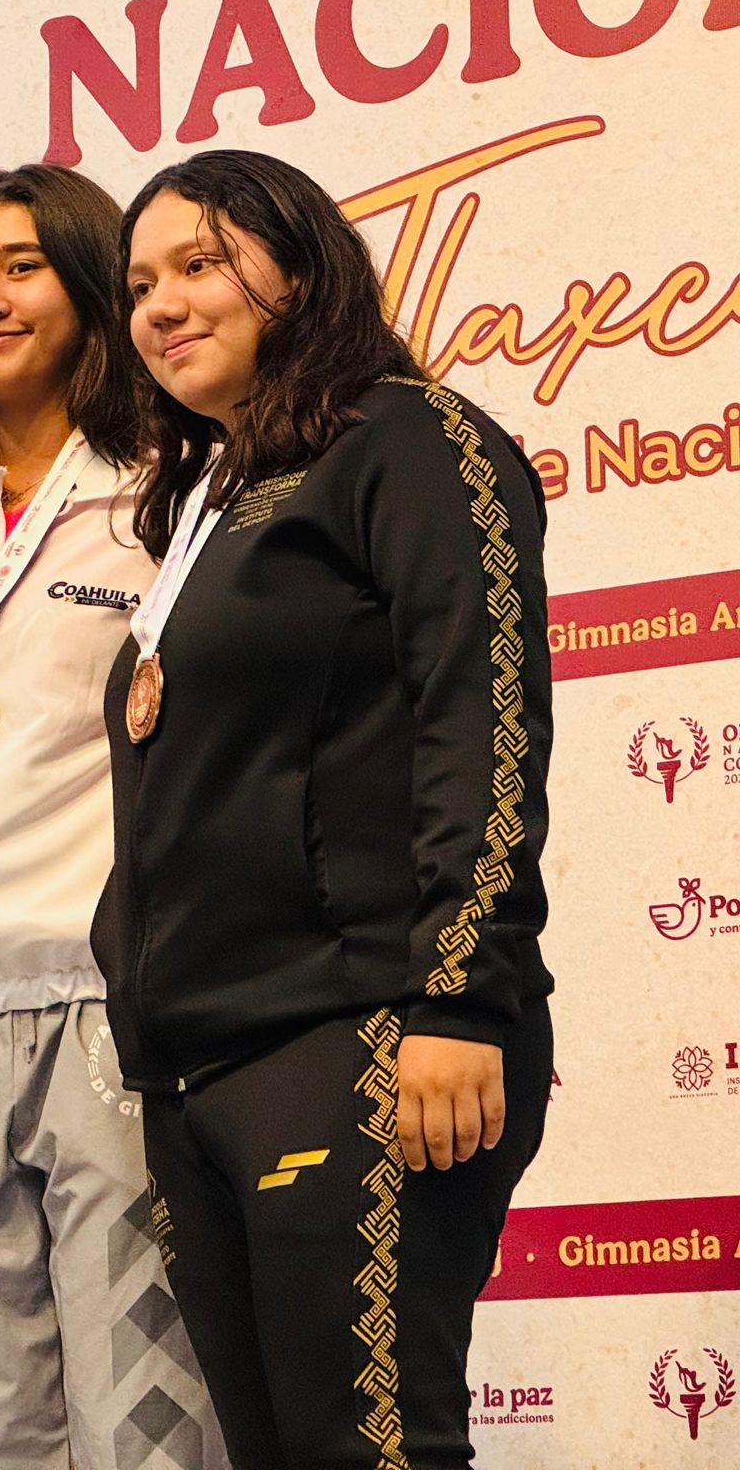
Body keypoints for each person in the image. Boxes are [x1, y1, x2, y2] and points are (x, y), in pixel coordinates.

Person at [90, 149, 554, 1470]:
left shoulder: (407, 438)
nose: (162, 305)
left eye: (199, 263)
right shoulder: (209, 499)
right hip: (197, 1066)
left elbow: (484, 713)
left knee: (371, 1448)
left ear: (299, 266)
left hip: (364, 1025)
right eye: (140, 284)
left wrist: (458, 996)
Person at [0, 164, 227, 1470]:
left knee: (147, 1420)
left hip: (101, 1002)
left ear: (89, 286)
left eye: (21, 267)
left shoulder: (166, 497)